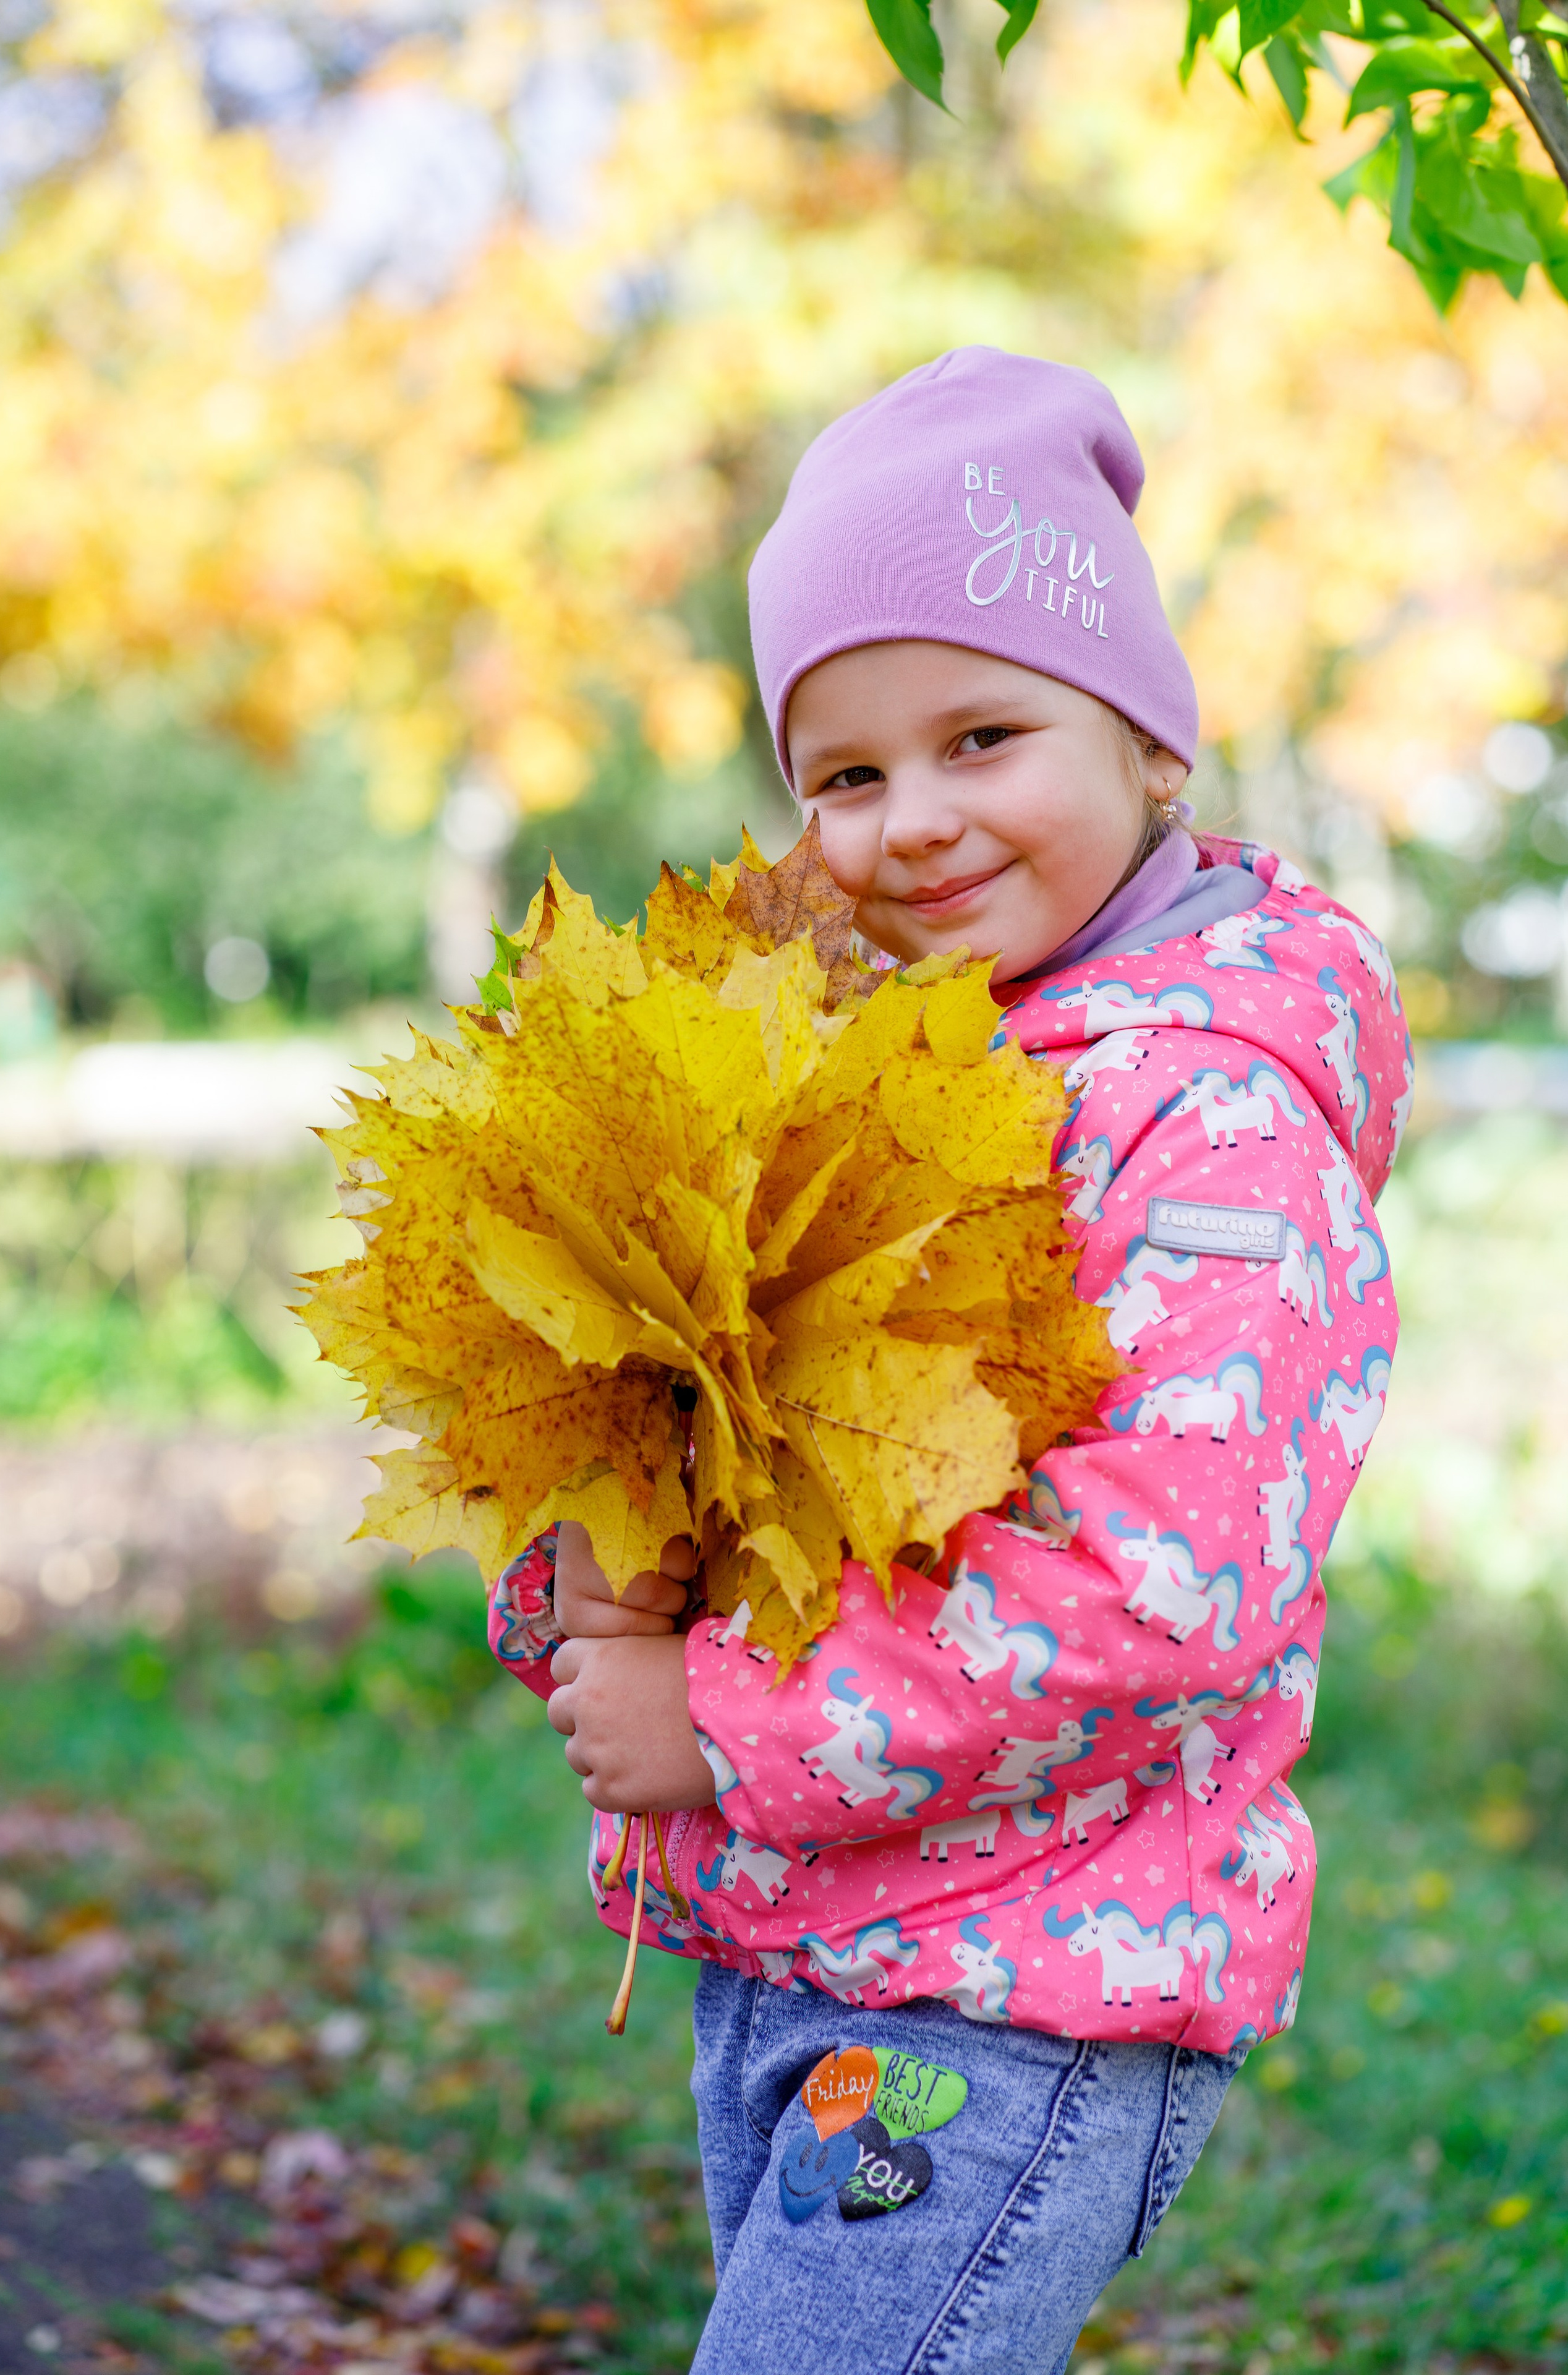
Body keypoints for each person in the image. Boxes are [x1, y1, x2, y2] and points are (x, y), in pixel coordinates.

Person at [488, 348, 1408, 2373]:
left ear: (1153, 746)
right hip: (808, 1951)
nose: (912, 824)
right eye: (845, 772)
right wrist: (591, 1586)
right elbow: (706, 1419)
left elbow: (1165, 1587)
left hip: (1019, 1989)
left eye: (983, 735)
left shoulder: (1209, 1123)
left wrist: (721, 1721)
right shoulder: (850, 1070)